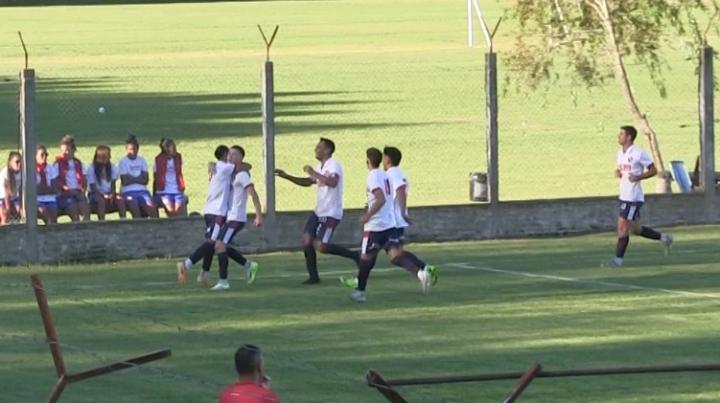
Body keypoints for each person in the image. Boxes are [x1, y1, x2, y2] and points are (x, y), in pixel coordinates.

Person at [340, 146, 438, 289]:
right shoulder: (396, 173)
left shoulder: (392, 174)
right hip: (391, 219)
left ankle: (423, 269)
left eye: (384, 157)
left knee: (393, 255)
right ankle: (423, 269)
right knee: (390, 253)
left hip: (392, 220)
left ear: (388, 159)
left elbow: (400, 190)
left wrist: (402, 213)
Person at [274, 138, 359, 284]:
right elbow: (308, 182)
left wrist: (313, 172)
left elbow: (332, 183)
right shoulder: (320, 166)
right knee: (306, 241)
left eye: (319, 147)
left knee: (321, 246)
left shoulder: (334, 165)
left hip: (331, 212)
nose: (316, 149)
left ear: (327, 150)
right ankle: (314, 277)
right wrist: (286, 176)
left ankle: (355, 256)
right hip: (319, 211)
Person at [611, 125, 673, 268]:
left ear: (629, 137)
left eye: (621, 134)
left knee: (622, 225)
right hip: (624, 195)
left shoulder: (638, 153)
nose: (618, 136)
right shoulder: (620, 153)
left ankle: (617, 260)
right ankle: (664, 238)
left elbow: (653, 170)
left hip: (633, 197)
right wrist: (617, 172)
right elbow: (620, 168)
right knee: (635, 230)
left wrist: (639, 176)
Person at [177, 145, 235, 287]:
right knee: (212, 243)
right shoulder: (224, 167)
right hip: (217, 212)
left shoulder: (219, 167)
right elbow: (245, 166)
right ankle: (186, 265)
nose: (233, 157)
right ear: (225, 155)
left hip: (212, 210)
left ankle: (204, 274)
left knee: (213, 242)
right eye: (231, 154)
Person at [211, 146, 262, 291]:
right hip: (230, 217)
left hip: (237, 218)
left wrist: (258, 216)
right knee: (222, 246)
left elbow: (253, 194)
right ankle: (249, 265)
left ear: (240, 158)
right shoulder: (232, 174)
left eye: (234, 154)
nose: (230, 157)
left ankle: (223, 281)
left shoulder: (243, 176)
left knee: (219, 245)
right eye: (229, 154)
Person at [119, 135, 157, 219]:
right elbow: (124, 181)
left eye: (134, 149)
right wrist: (139, 178)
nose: (132, 152)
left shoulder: (142, 160)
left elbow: (145, 180)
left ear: (138, 149)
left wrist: (131, 178)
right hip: (128, 192)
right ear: (126, 149)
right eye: (130, 149)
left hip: (142, 191)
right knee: (133, 205)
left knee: (152, 207)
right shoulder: (123, 161)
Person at [54, 135, 90, 221]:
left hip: (77, 192)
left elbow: (84, 180)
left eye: (67, 150)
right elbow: (56, 182)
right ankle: (75, 228)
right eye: (62, 150)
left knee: (84, 205)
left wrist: (82, 190)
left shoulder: (79, 163)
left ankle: (87, 225)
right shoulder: (57, 164)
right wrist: (68, 190)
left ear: (73, 150)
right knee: (73, 206)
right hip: (64, 194)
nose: (64, 153)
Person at [87, 145, 126, 220]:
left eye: (106, 157)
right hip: (95, 194)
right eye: (101, 157)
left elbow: (113, 184)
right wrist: (103, 196)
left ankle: (123, 220)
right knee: (101, 201)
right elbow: (92, 187)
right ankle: (102, 222)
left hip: (109, 192)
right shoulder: (91, 168)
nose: (104, 160)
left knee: (120, 199)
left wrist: (112, 194)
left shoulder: (113, 167)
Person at [154, 138, 187, 217]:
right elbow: (155, 178)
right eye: (173, 147)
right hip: (164, 192)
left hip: (177, 190)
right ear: (167, 149)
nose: (175, 149)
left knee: (180, 212)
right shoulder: (158, 160)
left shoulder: (178, 158)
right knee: (171, 211)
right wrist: (154, 193)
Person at [35, 145, 59, 224]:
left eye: (46, 154)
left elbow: (55, 188)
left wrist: (41, 188)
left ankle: (52, 230)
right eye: (42, 155)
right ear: (35, 156)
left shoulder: (51, 168)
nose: (44, 157)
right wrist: (48, 188)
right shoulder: (32, 169)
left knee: (53, 210)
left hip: (50, 199)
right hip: (37, 200)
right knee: (43, 211)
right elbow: (33, 190)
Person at [0, 151, 23, 225]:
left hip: (14, 198)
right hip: (3, 198)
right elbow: (6, 194)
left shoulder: (22, 173)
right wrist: (8, 208)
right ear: (10, 162)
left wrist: (21, 206)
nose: (19, 164)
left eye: (21, 162)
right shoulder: (5, 172)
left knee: (21, 213)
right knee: (5, 215)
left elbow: (21, 190)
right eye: (17, 162)